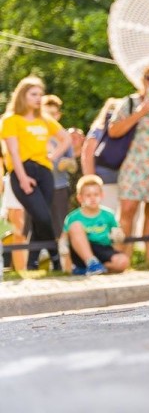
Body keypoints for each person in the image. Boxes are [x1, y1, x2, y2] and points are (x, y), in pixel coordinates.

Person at [2, 76, 71, 272]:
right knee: (42, 217)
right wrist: (23, 178)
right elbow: (13, 152)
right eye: (34, 94)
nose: (38, 98)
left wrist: (53, 156)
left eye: (40, 94)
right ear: (22, 95)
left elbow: (65, 138)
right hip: (23, 171)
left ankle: (32, 263)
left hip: (44, 172)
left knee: (40, 219)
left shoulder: (44, 119)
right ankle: (55, 254)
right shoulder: (11, 120)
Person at [63, 175, 130, 275]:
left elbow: (117, 241)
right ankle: (91, 263)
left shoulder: (109, 215)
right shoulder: (73, 217)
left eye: (96, 194)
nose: (93, 198)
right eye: (88, 195)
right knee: (76, 226)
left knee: (124, 261)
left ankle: (97, 268)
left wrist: (119, 237)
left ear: (102, 195)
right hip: (81, 251)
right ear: (80, 198)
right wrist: (66, 264)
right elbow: (63, 240)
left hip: (103, 249)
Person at [40, 94, 81, 238]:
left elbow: (72, 165)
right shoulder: (35, 133)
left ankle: (60, 259)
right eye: (46, 112)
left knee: (60, 228)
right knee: (38, 226)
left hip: (59, 187)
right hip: (38, 188)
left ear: (58, 115)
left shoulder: (63, 136)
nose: (49, 117)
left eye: (53, 113)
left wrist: (66, 163)